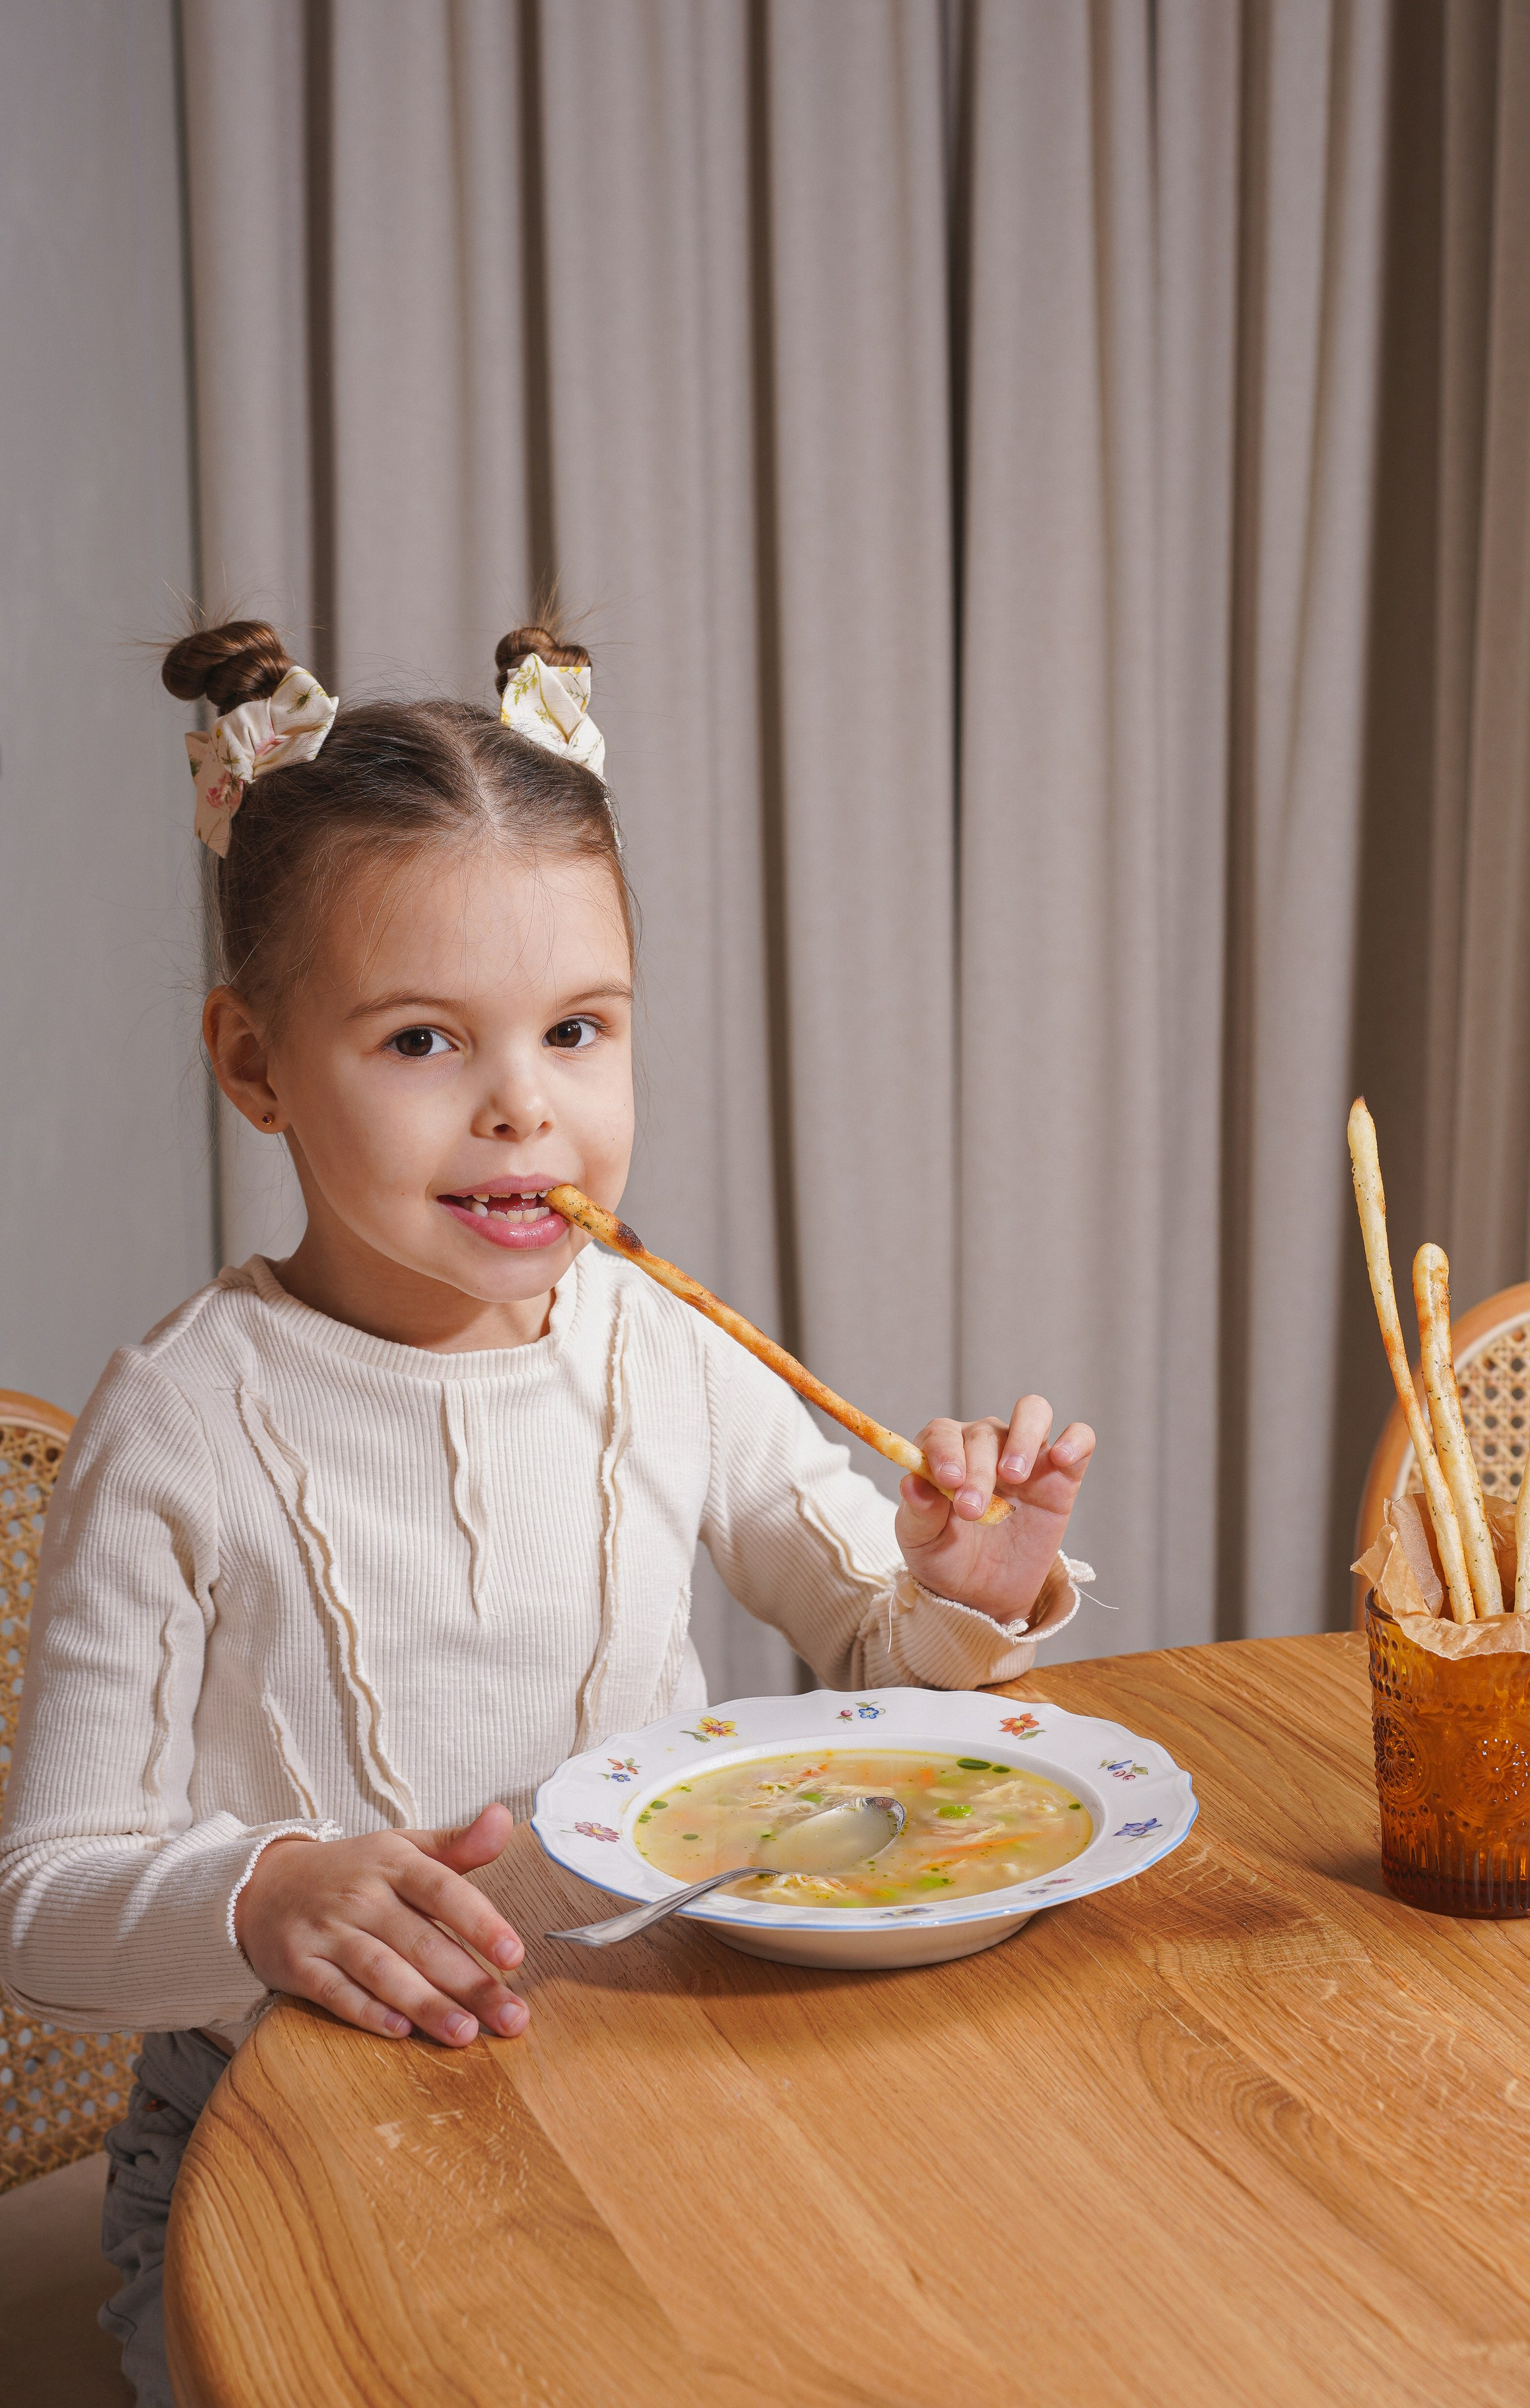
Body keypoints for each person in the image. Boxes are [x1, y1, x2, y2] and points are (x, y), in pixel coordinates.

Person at [0, 618, 1094, 2404]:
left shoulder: (654, 1340)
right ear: (255, 1061)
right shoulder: (184, 1422)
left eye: (578, 1030)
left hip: (661, 2069)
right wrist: (264, 1896)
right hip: (281, 2146)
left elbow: (875, 1648)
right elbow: (41, 1905)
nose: (527, 1107)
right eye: (425, 1039)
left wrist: (962, 1597)